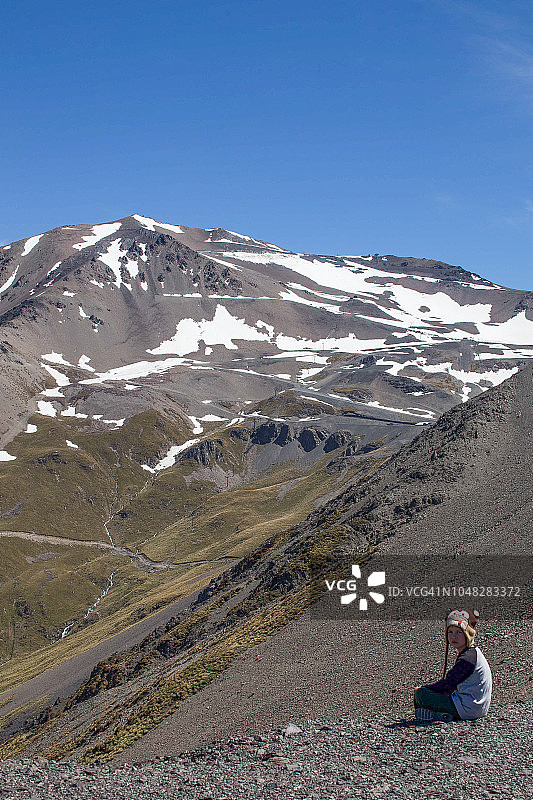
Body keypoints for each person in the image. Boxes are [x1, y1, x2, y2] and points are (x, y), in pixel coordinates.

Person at [413, 609, 492, 722]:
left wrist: (424, 689)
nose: (454, 636)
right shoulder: (473, 653)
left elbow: (449, 683)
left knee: (421, 694)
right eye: (450, 632)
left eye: (459, 632)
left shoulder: (467, 659)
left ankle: (439, 716)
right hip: (476, 707)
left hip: (467, 708)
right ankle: (436, 714)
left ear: (467, 634)